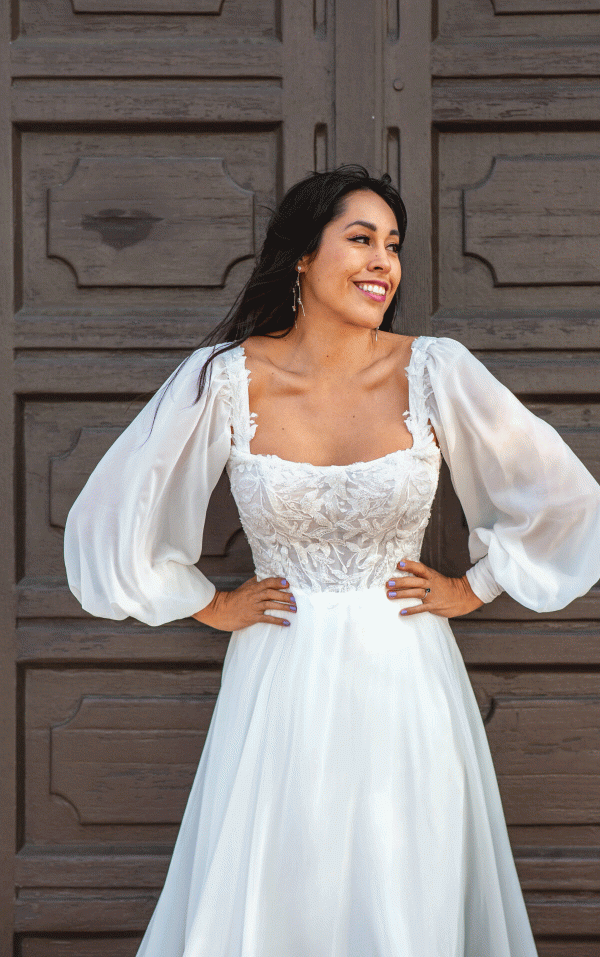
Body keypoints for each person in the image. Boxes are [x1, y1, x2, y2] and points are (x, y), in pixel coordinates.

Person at [64, 165, 600, 957]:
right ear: (302, 258)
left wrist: (477, 583)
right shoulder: (224, 378)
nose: (385, 261)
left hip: (406, 679)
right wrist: (209, 604)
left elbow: (565, 497)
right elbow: (107, 519)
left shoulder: (434, 368)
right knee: (283, 889)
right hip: (278, 680)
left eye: (394, 244)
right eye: (361, 239)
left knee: (402, 885)